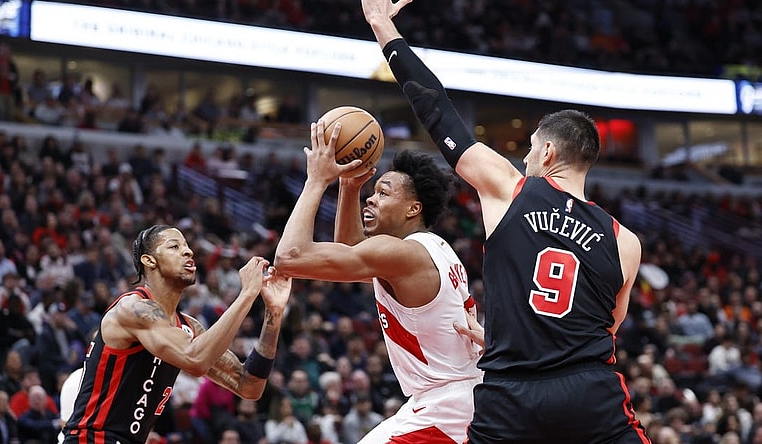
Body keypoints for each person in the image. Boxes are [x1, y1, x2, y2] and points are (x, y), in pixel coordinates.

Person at [360, 1, 650, 442]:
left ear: (548, 153)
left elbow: (437, 111)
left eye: (531, 147)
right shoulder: (625, 241)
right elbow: (598, 326)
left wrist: (383, 28)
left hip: (511, 392)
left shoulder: (510, 190)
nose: (526, 156)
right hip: (590, 394)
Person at [274, 126, 482, 442]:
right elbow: (352, 251)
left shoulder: (403, 254)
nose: (371, 199)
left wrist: (317, 180)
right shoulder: (433, 249)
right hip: (456, 397)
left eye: (383, 193)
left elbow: (289, 258)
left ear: (414, 208)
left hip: (446, 407)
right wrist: (348, 187)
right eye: (372, 192)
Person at [61, 224, 291, 444]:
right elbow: (195, 360)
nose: (188, 251)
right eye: (174, 246)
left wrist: (274, 313)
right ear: (149, 260)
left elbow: (249, 386)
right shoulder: (133, 309)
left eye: (187, 246)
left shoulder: (187, 327)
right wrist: (247, 295)